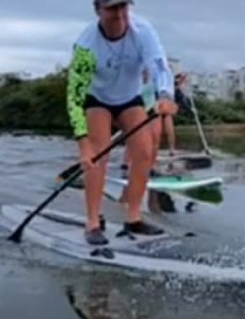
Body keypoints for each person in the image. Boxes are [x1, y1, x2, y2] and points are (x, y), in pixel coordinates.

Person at [66, 0, 178, 245]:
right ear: (98, 11)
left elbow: (159, 65)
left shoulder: (143, 31)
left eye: (123, 7)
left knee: (145, 150)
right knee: (97, 156)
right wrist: (83, 146)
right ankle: (93, 222)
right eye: (112, 9)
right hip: (98, 98)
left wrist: (165, 95)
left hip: (129, 98)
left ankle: (133, 217)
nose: (119, 15)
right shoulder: (86, 45)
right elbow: (74, 99)